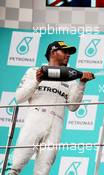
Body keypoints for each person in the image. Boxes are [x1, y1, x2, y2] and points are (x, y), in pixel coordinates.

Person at [8, 41, 94, 175]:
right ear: (53, 52)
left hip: (56, 124)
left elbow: (72, 107)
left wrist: (82, 84)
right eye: (64, 52)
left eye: (69, 53)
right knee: (16, 164)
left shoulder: (71, 78)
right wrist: (37, 80)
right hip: (35, 119)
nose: (68, 55)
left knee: (43, 170)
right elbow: (19, 98)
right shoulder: (33, 71)